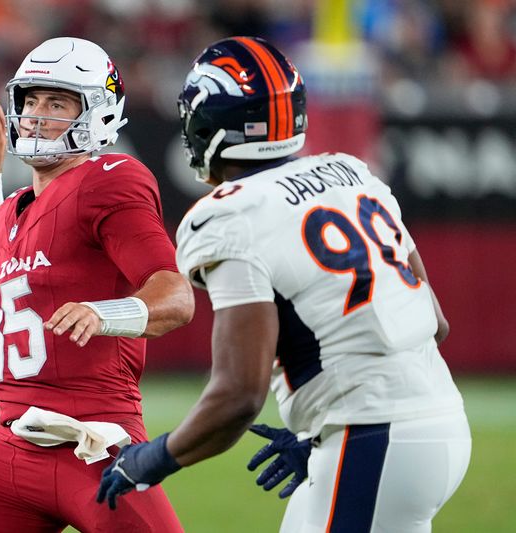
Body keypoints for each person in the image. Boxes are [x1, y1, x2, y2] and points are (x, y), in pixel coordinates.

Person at [97, 36, 471, 532]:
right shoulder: (352, 174)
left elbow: (238, 394)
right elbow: (436, 323)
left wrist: (156, 458)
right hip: (437, 422)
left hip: (374, 435)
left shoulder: (228, 215)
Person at [0, 37, 193, 533]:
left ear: (98, 114)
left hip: (95, 444)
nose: (36, 116)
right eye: (31, 101)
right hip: (12, 448)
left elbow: (176, 297)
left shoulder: (109, 179)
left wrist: (106, 313)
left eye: (57, 103)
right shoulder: (13, 207)